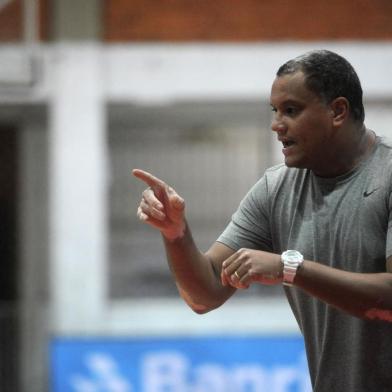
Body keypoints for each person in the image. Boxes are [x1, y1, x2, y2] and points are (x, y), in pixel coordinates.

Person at [133, 49, 392, 392]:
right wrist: (176, 233)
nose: (276, 124)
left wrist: (290, 268)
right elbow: (205, 293)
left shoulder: (386, 175)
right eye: (275, 111)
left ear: (338, 111)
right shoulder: (276, 188)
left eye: (291, 110)